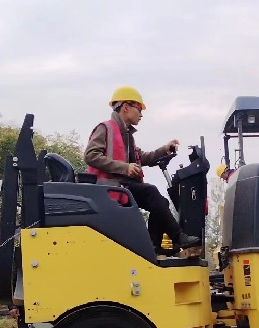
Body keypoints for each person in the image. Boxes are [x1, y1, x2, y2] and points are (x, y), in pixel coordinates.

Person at [84, 85, 200, 249]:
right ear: (125, 107)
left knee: (161, 203)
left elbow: (143, 157)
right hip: (108, 188)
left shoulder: (127, 136)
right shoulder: (105, 129)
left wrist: (164, 149)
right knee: (151, 192)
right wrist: (124, 168)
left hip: (124, 187)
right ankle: (178, 237)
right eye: (139, 109)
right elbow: (90, 155)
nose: (141, 114)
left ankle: (152, 247)